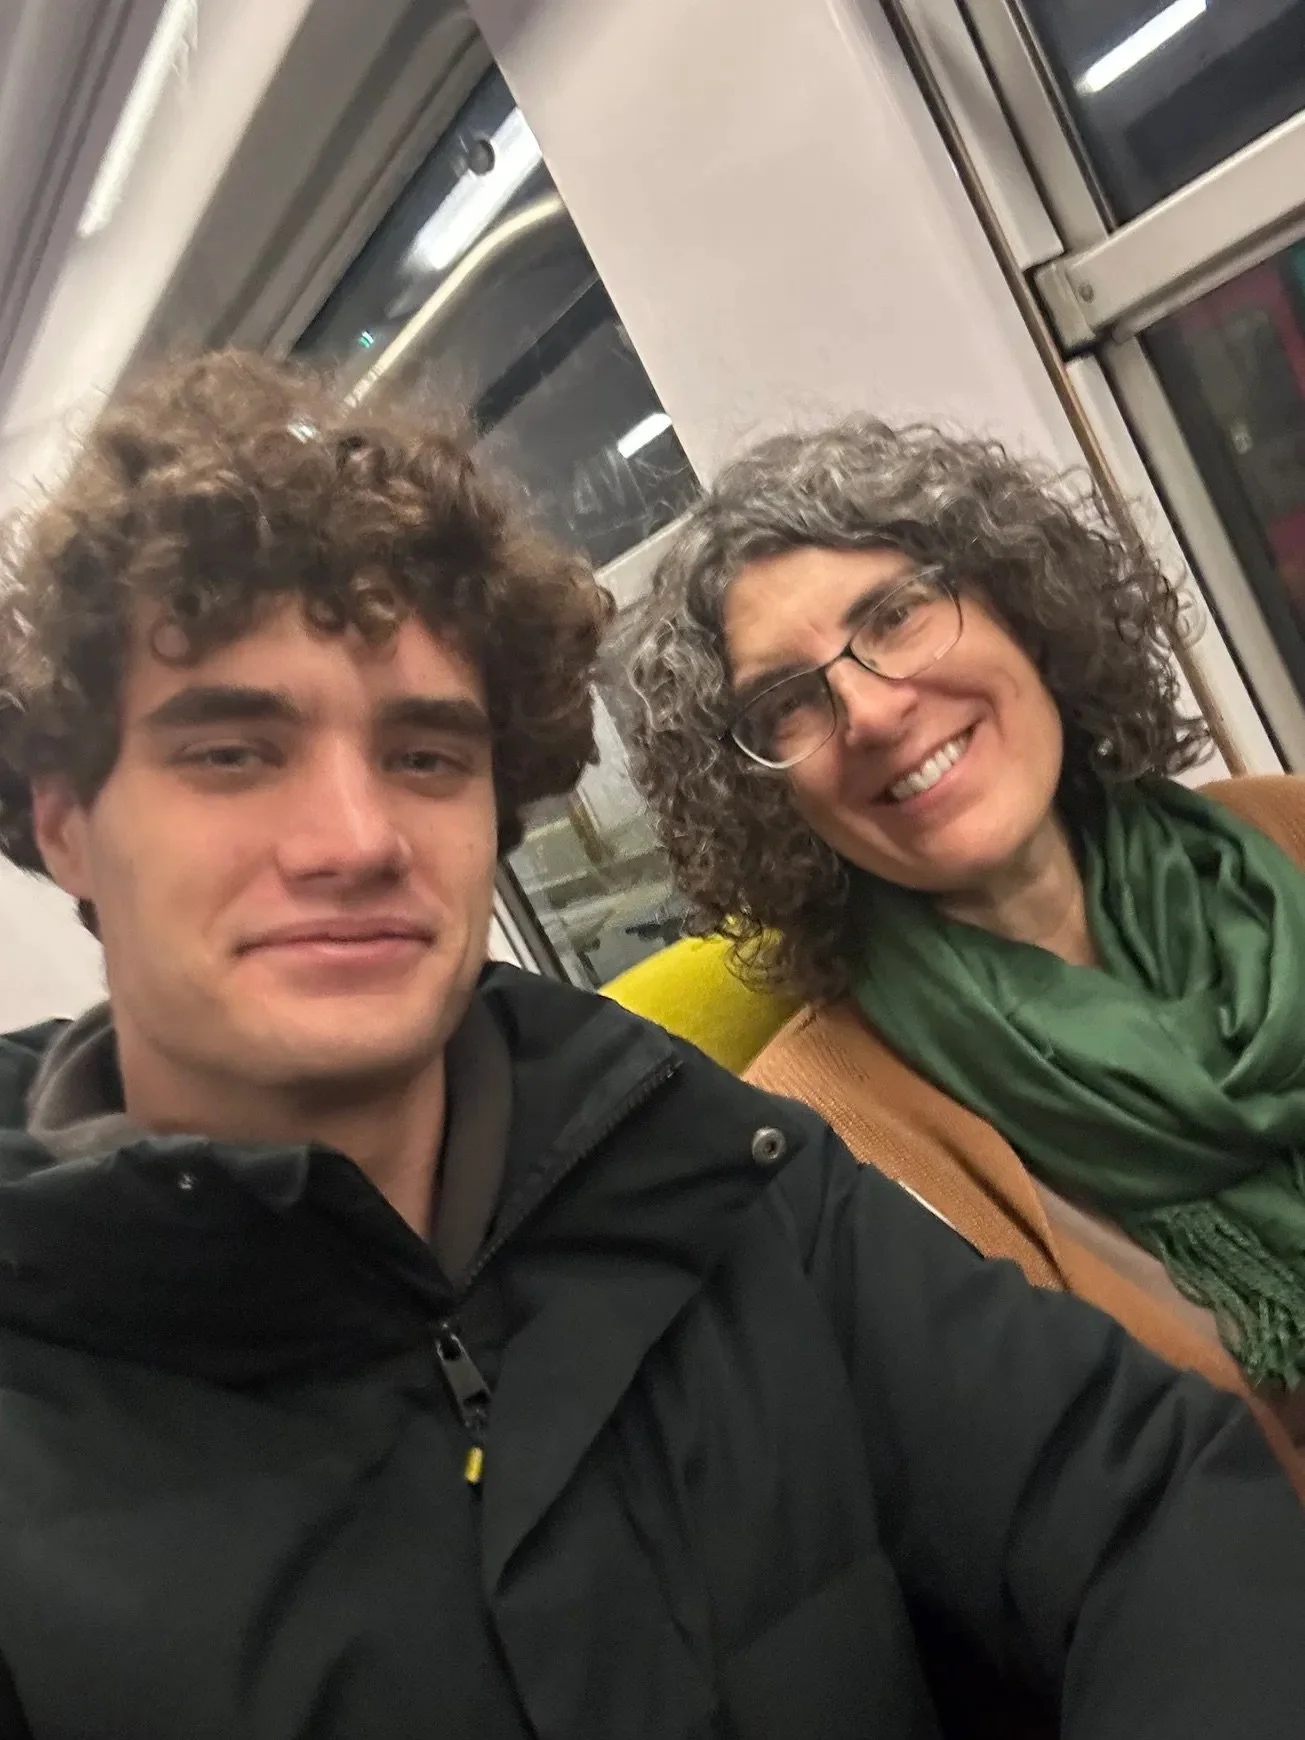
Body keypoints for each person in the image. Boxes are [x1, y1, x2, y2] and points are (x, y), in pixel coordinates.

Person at [0, 357, 1303, 1740]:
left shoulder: (709, 1172)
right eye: (233, 755)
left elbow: (1147, 1501)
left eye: (427, 759)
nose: (355, 839)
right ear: (66, 820)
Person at [625, 417, 1305, 1480]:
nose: (873, 710)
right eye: (788, 703)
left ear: (1022, 610)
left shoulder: (1294, 830)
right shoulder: (816, 1150)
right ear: (760, 794)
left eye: (894, 616)